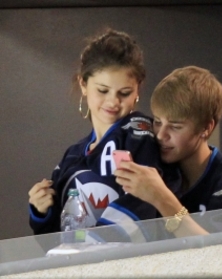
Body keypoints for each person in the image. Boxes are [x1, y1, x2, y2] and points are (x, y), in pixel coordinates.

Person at [28, 29, 180, 236]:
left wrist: (94, 244)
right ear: (83, 83)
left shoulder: (139, 133)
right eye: (102, 90)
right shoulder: (73, 154)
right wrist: (41, 210)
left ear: (138, 89)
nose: (113, 102)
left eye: (124, 93)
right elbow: (55, 238)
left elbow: (142, 206)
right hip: (78, 266)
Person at [114, 66, 222, 237]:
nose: (160, 135)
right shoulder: (157, 167)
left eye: (175, 127)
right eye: (158, 121)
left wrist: (162, 198)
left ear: (206, 127)